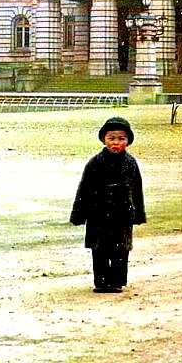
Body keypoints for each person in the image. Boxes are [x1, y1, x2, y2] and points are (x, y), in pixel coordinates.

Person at [69, 117, 146, 293]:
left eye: (121, 138)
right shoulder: (94, 163)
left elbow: (137, 189)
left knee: (121, 249)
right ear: (104, 139)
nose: (116, 143)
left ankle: (117, 281)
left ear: (128, 141)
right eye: (111, 138)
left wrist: (138, 214)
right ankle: (101, 281)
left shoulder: (131, 164)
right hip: (98, 214)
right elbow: (84, 189)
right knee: (99, 249)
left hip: (122, 215)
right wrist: (79, 214)